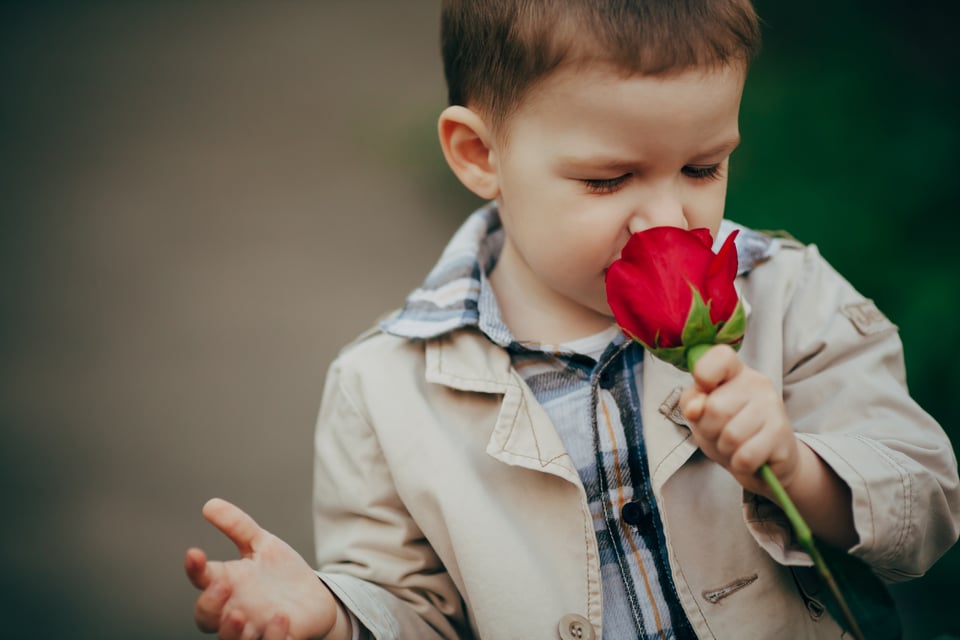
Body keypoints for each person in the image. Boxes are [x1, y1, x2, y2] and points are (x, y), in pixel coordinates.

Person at [184, 1, 960, 638]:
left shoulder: (789, 299)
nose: (665, 219)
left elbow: (926, 501)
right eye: (607, 179)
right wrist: (337, 617)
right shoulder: (384, 391)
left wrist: (796, 468)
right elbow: (414, 608)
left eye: (703, 168)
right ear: (479, 153)